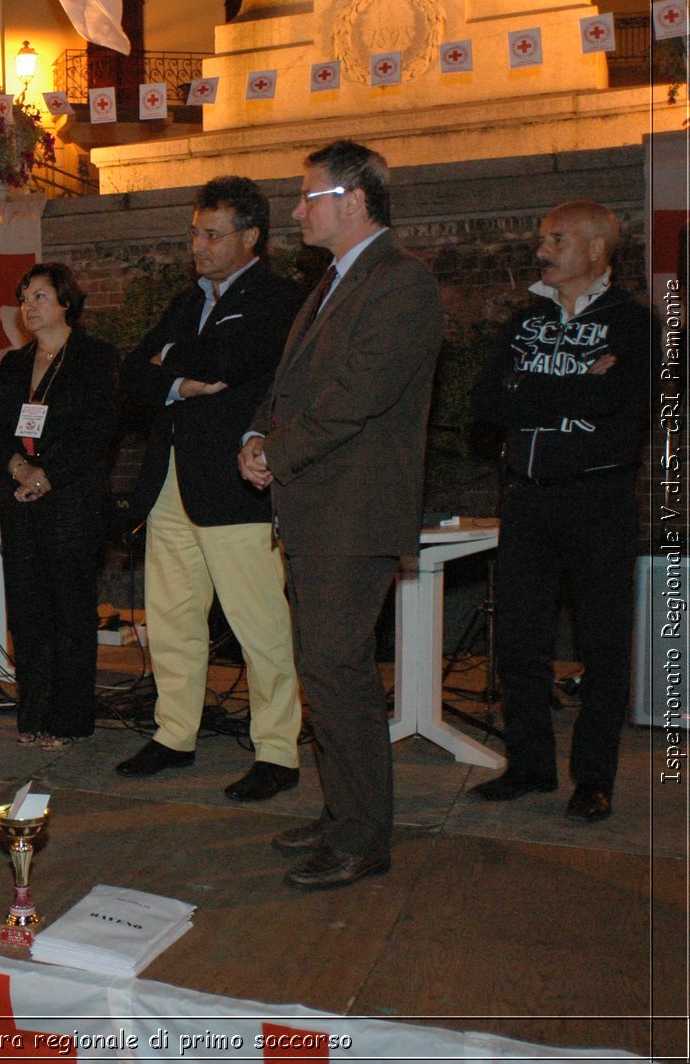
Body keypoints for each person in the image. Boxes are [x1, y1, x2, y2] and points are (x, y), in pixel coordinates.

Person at [239, 140, 443, 890]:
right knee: (323, 672)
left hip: (352, 510)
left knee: (339, 670)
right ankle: (342, 816)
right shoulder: (336, 280)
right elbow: (291, 382)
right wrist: (257, 436)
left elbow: (360, 393)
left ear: (353, 199)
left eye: (307, 196)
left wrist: (281, 451)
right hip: (317, 504)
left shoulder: (402, 283)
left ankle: (363, 837)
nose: (295, 210)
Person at [116, 177, 306, 801]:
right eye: (195, 232)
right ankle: (175, 734)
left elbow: (229, 364)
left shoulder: (279, 298)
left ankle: (278, 748)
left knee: (259, 623)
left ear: (251, 238)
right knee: (170, 620)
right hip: (169, 481)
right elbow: (130, 375)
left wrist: (170, 367)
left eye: (212, 234)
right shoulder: (183, 301)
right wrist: (181, 380)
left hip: (234, 483)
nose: (198, 244)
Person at [468, 201, 650, 823]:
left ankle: (594, 778)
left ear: (598, 249)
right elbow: (487, 400)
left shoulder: (634, 323)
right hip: (527, 497)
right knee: (519, 641)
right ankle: (529, 766)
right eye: (541, 236)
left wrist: (530, 390)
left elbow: (610, 399)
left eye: (556, 238)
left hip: (598, 499)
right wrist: (566, 389)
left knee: (602, 645)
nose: (541, 249)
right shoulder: (524, 320)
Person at [0, 262, 119, 749]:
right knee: (29, 611)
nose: (29, 306)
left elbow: (97, 432)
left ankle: (68, 718)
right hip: (20, 499)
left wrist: (48, 476)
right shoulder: (15, 364)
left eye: (39, 296)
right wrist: (20, 470)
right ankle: (33, 713)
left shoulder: (96, 359)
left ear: (65, 303)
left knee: (69, 610)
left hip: (71, 500)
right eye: (24, 298)